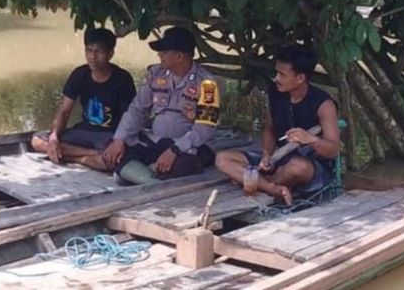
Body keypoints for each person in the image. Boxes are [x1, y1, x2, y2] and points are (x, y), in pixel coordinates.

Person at [215, 45, 340, 205]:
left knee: (298, 167)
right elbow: (269, 128)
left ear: (300, 78)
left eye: (282, 74)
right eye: (276, 73)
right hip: (278, 157)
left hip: (309, 166)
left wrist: (311, 139)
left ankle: (257, 181)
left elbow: (333, 149)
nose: (276, 79)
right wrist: (267, 154)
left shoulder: (324, 104)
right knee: (223, 158)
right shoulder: (275, 92)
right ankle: (272, 188)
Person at [102, 26, 220, 184]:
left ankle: (136, 175)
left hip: (189, 146)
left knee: (185, 163)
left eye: (164, 52)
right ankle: (151, 177)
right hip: (156, 141)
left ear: (179, 56)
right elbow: (137, 109)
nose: (159, 55)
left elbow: (204, 128)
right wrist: (120, 139)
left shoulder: (207, 84)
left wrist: (174, 150)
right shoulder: (154, 74)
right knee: (114, 148)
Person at [30, 28, 136, 171]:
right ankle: (89, 156)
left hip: (109, 135)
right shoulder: (80, 74)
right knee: (37, 141)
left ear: (110, 54)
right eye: (89, 50)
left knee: (111, 161)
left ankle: (72, 156)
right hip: (84, 131)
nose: (93, 56)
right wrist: (54, 137)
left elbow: (129, 117)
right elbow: (64, 111)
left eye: (99, 52)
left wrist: (119, 142)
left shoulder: (122, 79)